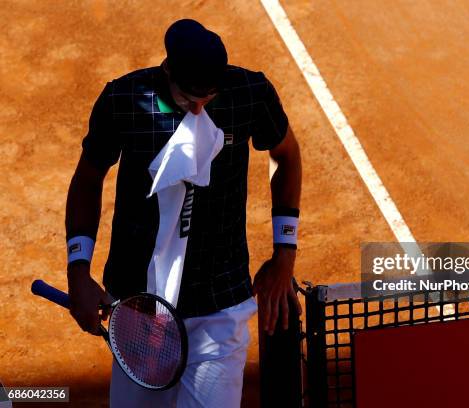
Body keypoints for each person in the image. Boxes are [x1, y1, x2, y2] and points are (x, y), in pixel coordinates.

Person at [64, 18, 302, 407]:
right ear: (167, 70)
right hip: (139, 310)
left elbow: (286, 156)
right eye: (189, 99)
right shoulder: (123, 100)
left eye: (209, 98)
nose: (199, 108)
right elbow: (88, 179)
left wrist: (284, 253)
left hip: (219, 310)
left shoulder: (248, 93)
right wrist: (78, 270)